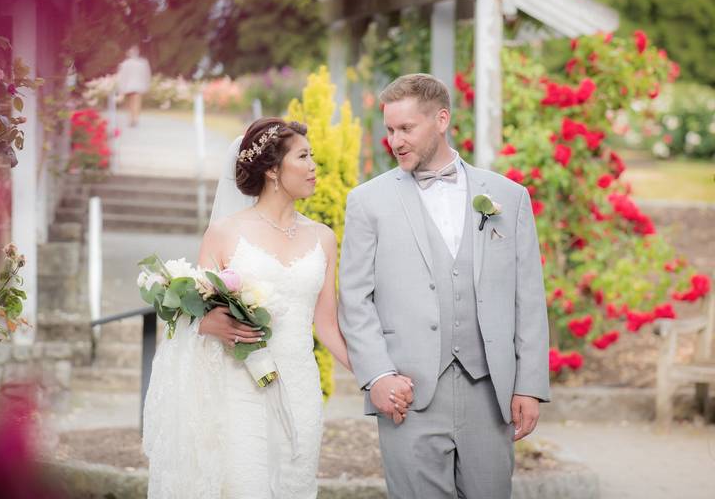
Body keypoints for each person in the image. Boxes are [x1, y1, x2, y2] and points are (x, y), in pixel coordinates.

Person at [338, 73, 550, 498]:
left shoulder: (508, 197)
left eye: (406, 128)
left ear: (441, 119)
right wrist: (377, 375)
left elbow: (527, 297)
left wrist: (529, 384)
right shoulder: (368, 202)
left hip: (489, 390)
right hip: (408, 393)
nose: (395, 141)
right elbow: (355, 299)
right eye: (390, 130)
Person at [142, 117, 366, 499]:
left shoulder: (323, 238)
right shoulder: (225, 233)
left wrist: (373, 377)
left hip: (299, 386)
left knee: (296, 486)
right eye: (304, 157)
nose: (314, 167)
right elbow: (193, 316)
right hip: (238, 384)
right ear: (274, 171)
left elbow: (327, 325)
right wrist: (209, 323)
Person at [115, 44, 151, 127]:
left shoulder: (125, 63)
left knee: (131, 103)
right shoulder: (143, 63)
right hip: (138, 85)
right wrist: (146, 85)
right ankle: (135, 119)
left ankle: (132, 118)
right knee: (136, 102)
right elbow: (147, 75)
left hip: (129, 86)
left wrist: (121, 88)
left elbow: (122, 77)